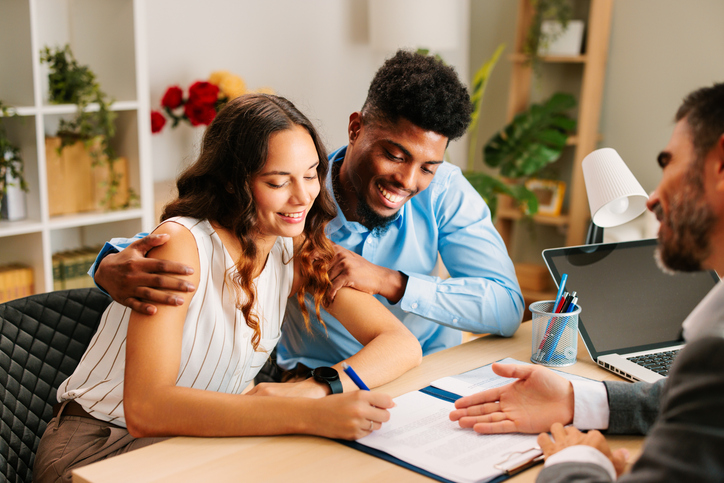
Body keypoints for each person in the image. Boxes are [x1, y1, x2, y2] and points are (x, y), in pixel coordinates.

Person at [33, 94, 422, 482]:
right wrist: (306, 414)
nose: (303, 196)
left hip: (195, 440)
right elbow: (146, 408)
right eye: (277, 181)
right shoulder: (181, 243)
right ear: (234, 183)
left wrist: (320, 389)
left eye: (310, 174)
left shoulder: (296, 246)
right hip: (102, 449)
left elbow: (399, 343)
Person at [90, 50, 523, 380]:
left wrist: (390, 282)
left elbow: (506, 308)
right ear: (356, 128)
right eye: (395, 155)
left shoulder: (445, 190)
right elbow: (203, 232)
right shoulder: (295, 200)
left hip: (429, 370)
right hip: (316, 376)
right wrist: (106, 264)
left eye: (428, 166)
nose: (408, 181)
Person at [449, 82, 724, 482]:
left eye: (670, 164)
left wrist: (577, 460)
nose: (652, 197)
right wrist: (574, 398)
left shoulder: (715, 354)